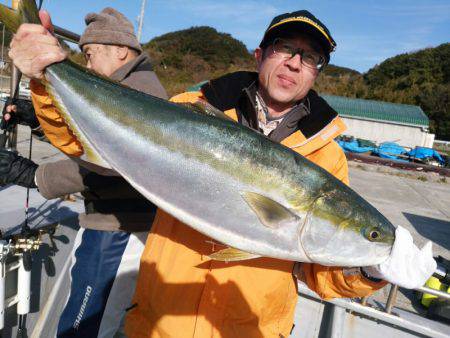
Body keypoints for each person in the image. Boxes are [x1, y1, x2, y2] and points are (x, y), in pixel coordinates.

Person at [6, 9, 435, 338]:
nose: (294, 63)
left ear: (317, 72)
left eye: (311, 57)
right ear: (261, 54)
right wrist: (45, 77)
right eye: (285, 48)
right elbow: (88, 144)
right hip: (161, 322)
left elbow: (319, 269)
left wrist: (373, 270)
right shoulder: (195, 107)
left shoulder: (326, 155)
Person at [1, 7, 167, 337]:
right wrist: (33, 119)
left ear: (121, 50)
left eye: (90, 55)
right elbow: (86, 134)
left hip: (118, 231)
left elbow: (106, 163)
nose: (88, 65)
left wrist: (31, 175)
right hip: (106, 226)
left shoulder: (140, 94)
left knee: (82, 329)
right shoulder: (123, 87)